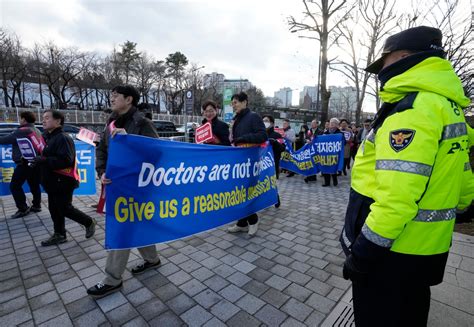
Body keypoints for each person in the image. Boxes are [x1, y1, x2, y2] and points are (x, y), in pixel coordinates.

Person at [340, 26, 472, 327]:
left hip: (391, 253)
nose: (380, 72)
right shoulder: (447, 106)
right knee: (411, 312)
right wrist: (462, 206)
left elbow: (396, 200)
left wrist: (362, 255)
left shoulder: (410, 109)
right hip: (427, 249)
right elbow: (462, 172)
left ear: (402, 57)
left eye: (382, 63)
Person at [87, 85, 161, 298]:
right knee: (138, 223)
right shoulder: (110, 122)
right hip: (115, 185)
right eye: (111, 94)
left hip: (137, 186)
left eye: (116, 95)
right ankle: (152, 260)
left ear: (129, 100)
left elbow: (156, 153)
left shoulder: (142, 123)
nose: (112, 98)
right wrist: (101, 171)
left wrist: (130, 139)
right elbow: (101, 149)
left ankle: (112, 279)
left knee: (122, 229)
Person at [31, 110, 96, 246]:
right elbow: (45, 156)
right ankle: (59, 234)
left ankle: (88, 222)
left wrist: (44, 160)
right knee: (54, 209)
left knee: (65, 208)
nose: (43, 121)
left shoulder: (63, 138)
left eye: (47, 118)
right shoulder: (46, 137)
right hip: (51, 181)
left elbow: (66, 160)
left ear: (58, 121)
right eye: (43, 118)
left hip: (63, 181)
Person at [227, 92, 267, 236]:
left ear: (245, 102)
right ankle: (242, 223)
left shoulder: (253, 117)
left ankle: (253, 220)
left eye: (236, 102)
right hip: (239, 161)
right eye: (232, 103)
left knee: (246, 192)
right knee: (239, 192)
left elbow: (263, 135)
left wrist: (243, 138)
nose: (234, 105)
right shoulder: (236, 119)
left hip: (250, 162)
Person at [0, 111, 42, 218]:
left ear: (24, 119)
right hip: (36, 162)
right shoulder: (36, 130)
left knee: (14, 185)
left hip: (24, 163)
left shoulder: (22, 130)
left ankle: (23, 208)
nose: (20, 120)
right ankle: (36, 205)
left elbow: (5, 140)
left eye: (20, 118)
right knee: (34, 184)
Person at [263, 115, 285, 208]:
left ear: (272, 123)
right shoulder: (260, 134)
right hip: (261, 163)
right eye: (263, 120)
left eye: (267, 121)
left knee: (271, 182)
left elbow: (282, 148)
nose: (265, 122)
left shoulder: (277, 135)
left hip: (273, 163)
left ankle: (276, 199)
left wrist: (275, 142)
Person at [321, 118, 343, 187]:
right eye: (331, 123)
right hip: (326, 153)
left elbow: (343, 143)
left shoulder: (340, 133)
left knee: (334, 167)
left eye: (334, 123)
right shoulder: (325, 133)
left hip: (335, 153)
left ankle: (334, 180)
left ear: (337, 125)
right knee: (326, 167)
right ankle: (327, 182)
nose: (332, 124)